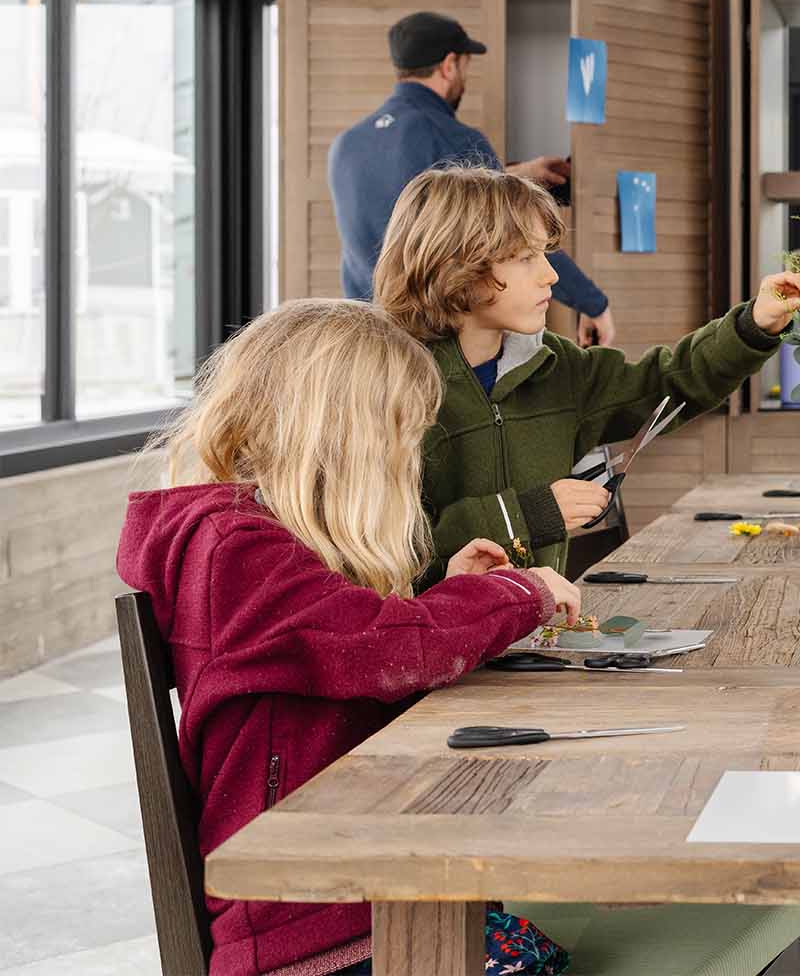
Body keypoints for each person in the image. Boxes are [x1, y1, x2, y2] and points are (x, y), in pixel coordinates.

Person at [115, 299, 582, 975]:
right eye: (400, 436)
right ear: (340, 435)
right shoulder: (233, 546)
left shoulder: (253, 539)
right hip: (313, 925)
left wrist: (445, 595)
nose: (408, 459)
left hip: (359, 886)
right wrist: (517, 592)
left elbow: (349, 647)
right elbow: (381, 647)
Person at [371, 165, 800, 583]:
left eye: (545, 254)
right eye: (526, 257)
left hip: (532, 636)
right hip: (421, 646)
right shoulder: (380, 386)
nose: (549, 275)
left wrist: (755, 324)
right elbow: (381, 544)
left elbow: (668, 385)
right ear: (456, 267)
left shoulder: (558, 367)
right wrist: (529, 514)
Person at [328, 10, 617, 347]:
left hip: (370, 337)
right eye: (465, 66)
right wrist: (594, 303)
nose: (464, 77)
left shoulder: (346, 144)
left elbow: (412, 197)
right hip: (435, 340)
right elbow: (513, 240)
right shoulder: (455, 138)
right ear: (449, 65)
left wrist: (512, 176)